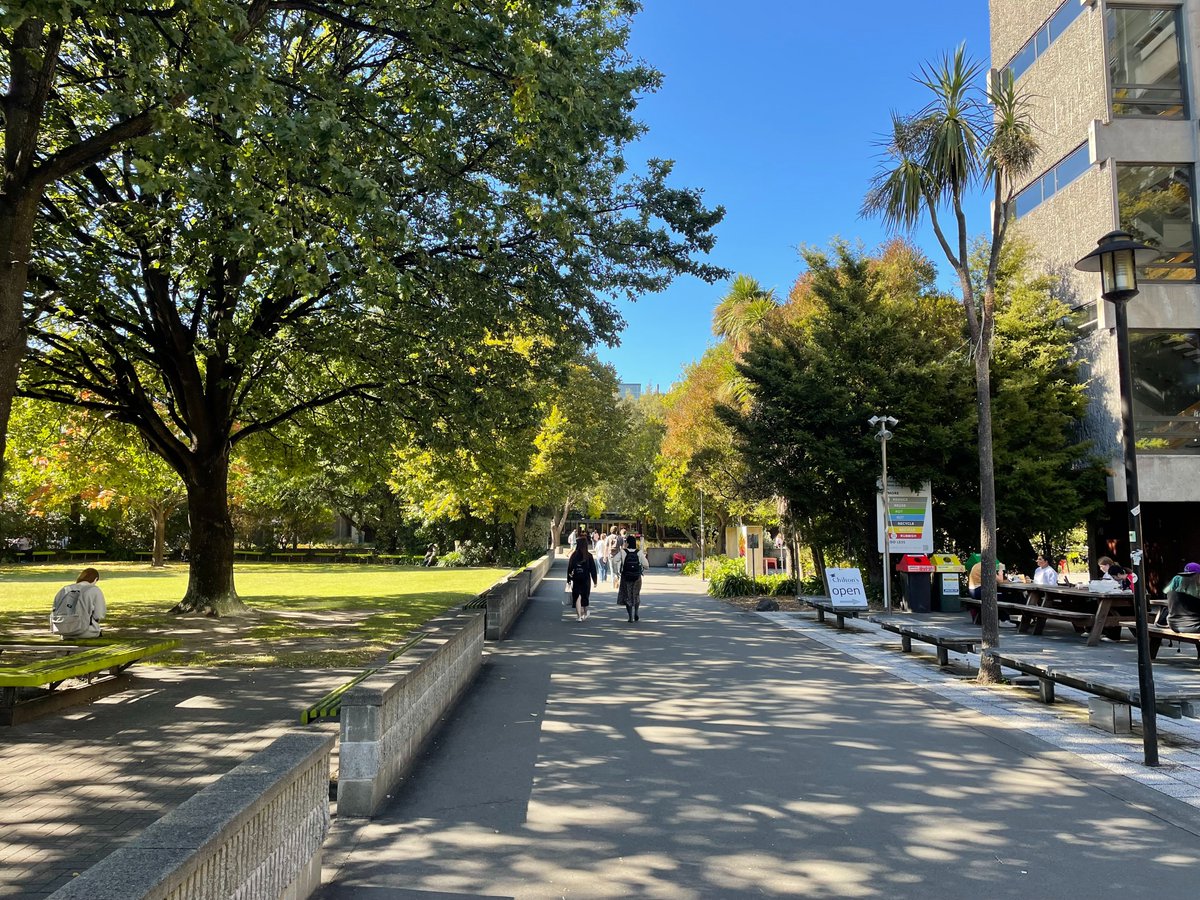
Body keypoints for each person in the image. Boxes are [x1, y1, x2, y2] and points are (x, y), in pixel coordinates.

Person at [50, 568, 107, 639]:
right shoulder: (94, 590)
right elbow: (99, 614)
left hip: (64, 631)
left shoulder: (65, 589)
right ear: (95, 579)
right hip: (86, 631)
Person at [616, 534, 649, 623]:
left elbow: (614, 560)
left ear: (627, 543)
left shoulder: (623, 552)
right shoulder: (639, 552)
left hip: (625, 577)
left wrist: (617, 572)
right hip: (636, 577)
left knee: (628, 596)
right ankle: (636, 612)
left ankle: (630, 616)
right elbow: (646, 565)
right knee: (636, 594)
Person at [566, 537, 598, 621]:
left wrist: (568, 580)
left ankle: (579, 616)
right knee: (585, 596)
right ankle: (585, 613)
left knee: (577, 597)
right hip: (586, 579)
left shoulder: (574, 555)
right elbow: (593, 569)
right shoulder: (589, 556)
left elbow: (569, 568)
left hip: (576, 578)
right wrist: (595, 581)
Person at [1164, 562, 1200, 634]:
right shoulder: (1196, 594)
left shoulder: (1171, 592)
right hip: (1191, 626)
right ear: (1197, 576)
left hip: (1173, 625)